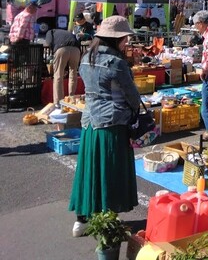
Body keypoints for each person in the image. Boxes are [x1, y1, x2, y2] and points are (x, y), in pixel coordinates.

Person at [68, 16, 141, 237]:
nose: (126, 42)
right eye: (125, 38)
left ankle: (81, 220)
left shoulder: (87, 57)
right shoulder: (117, 63)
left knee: (88, 170)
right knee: (111, 171)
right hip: (113, 123)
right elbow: (132, 97)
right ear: (116, 39)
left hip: (90, 122)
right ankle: (109, 220)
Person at [45, 28, 81, 107]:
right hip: (76, 49)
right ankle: (71, 98)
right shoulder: (66, 33)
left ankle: (58, 102)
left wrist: (52, 54)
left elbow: (49, 43)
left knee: (58, 75)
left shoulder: (50, 32)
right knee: (73, 73)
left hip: (62, 48)